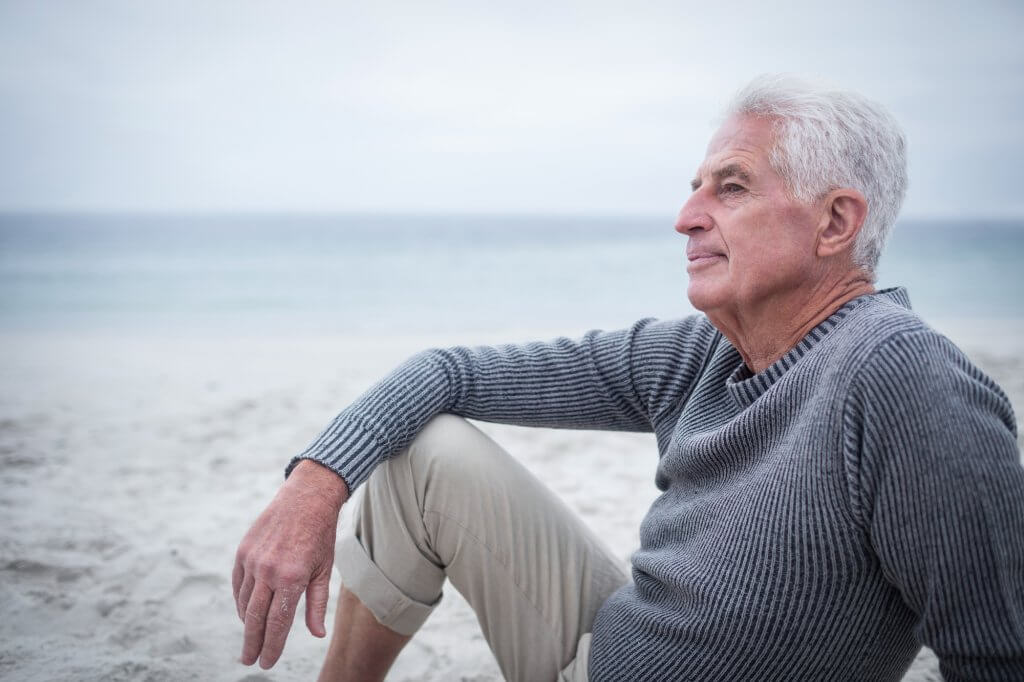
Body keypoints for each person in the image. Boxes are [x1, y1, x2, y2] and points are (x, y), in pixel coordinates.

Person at [232, 75, 1024, 681]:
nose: (686, 217)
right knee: (422, 449)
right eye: (695, 187)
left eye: (732, 186)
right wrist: (316, 483)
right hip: (600, 653)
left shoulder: (907, 381)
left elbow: (995, 652)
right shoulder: (698, 354)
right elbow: (447, 372)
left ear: (835, 223)